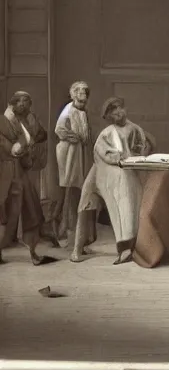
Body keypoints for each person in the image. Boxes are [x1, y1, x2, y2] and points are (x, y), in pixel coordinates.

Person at [70, 97, 155, 265]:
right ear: (108, 116)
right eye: (112, 111)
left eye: (119, 108)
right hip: (98, 172)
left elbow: (143, 147)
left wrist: (141, 153)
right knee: (85, 207)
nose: (117, 112)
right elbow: (104, 153)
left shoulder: (135, 129)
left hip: (119, 175)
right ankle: (76, 250)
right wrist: (121, 158)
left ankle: (126, 248)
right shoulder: (107, 133)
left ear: (125, 109)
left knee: (127, 205)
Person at [0, 91, 58, 265]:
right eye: (22, 102)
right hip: (6, 171)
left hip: (20, 171)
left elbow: (42, 134)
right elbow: (10, 147)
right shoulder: (4, 121)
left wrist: (30, 141)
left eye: (28, 102)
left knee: (31, 209)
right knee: (6, 211)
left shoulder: (28, 120)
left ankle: (33, 252)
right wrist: (17, 146)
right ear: (13, 104)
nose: (26, 106)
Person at [54, 81, 95, 248]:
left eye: (85, 92)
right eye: (79, 92)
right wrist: (74, 138)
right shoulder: (68, 110)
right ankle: (66, 234)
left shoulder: (82, 112)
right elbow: (59, 129)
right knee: (70, 189)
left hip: (81, 152)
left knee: (80, 189)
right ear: (73, 94)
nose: (82, 95)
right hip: (69, 152)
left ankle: (80, 237)